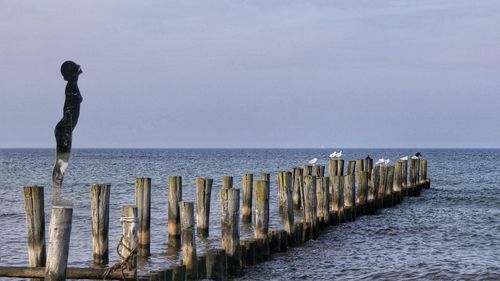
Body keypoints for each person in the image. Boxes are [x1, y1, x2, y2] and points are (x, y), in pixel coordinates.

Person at [52, 60, 83, 205]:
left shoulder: (72, 85)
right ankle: (56, 195)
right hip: (65, 128)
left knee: (62, 162)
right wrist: (67, 131)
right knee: (62, 162)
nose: (79, 74)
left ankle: (57, 194)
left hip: (66, 128)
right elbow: (69, 111)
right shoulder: (71, 86)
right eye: (76, 72)